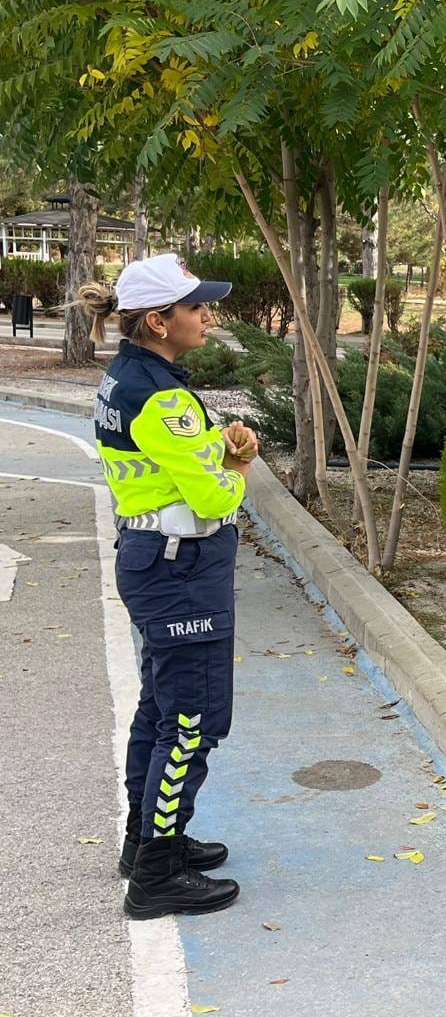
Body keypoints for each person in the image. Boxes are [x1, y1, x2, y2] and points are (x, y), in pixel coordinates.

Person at [77, 254, 256, 919]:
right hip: (182, 566)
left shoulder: (129, 375)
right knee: (190, 721)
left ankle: (149, 841)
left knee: (160, 709)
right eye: (196, 306)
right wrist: (238, 463)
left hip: (156, 559)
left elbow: (178, 456)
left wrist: (217, 443)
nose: (208, 315)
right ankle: (155, 875)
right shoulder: (162, 395)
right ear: (159, 320)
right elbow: (211, 498)